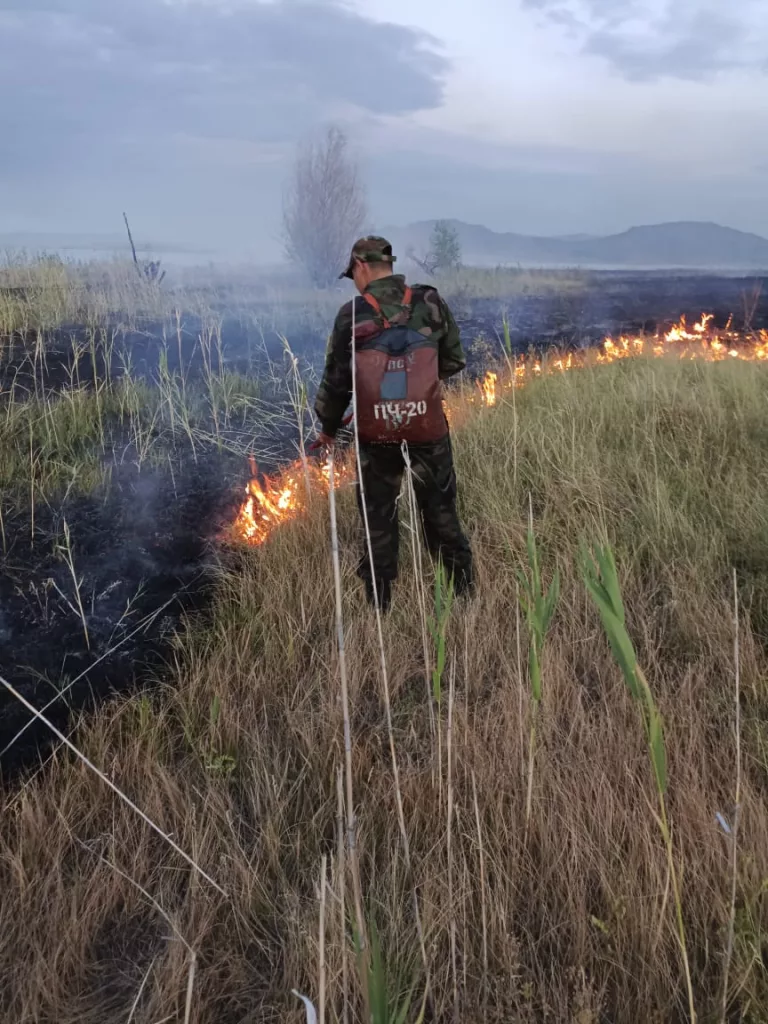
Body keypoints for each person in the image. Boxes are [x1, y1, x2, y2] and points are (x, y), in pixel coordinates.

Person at [314, 236, 473, 611]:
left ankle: (380, 606)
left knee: (377, 521)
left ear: (360, 265)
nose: (353, 280)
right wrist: (416, 388)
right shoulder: (430, 302)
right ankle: (465, 598)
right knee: (442, 514)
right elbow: (453, 360)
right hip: (427, 430)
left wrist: (327, 429)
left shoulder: (350, 314)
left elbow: (337, 381)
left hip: (376, 436)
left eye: (352, 273)